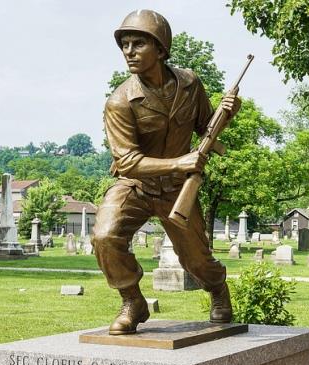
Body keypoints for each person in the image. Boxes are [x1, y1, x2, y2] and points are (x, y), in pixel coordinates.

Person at [92, 10, 241, 335]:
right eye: (125, 44)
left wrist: (225, 115)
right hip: (135, 185)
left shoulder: (189, 84)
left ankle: (218, 288)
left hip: (176, 187)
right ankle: (133, 301)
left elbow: (205, 127)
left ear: (160, 49)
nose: (129, 51)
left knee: (198, 262)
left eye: (138, 44)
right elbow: (128, 161)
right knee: (105, 236)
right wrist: (181, 162)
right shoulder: (119, 102)